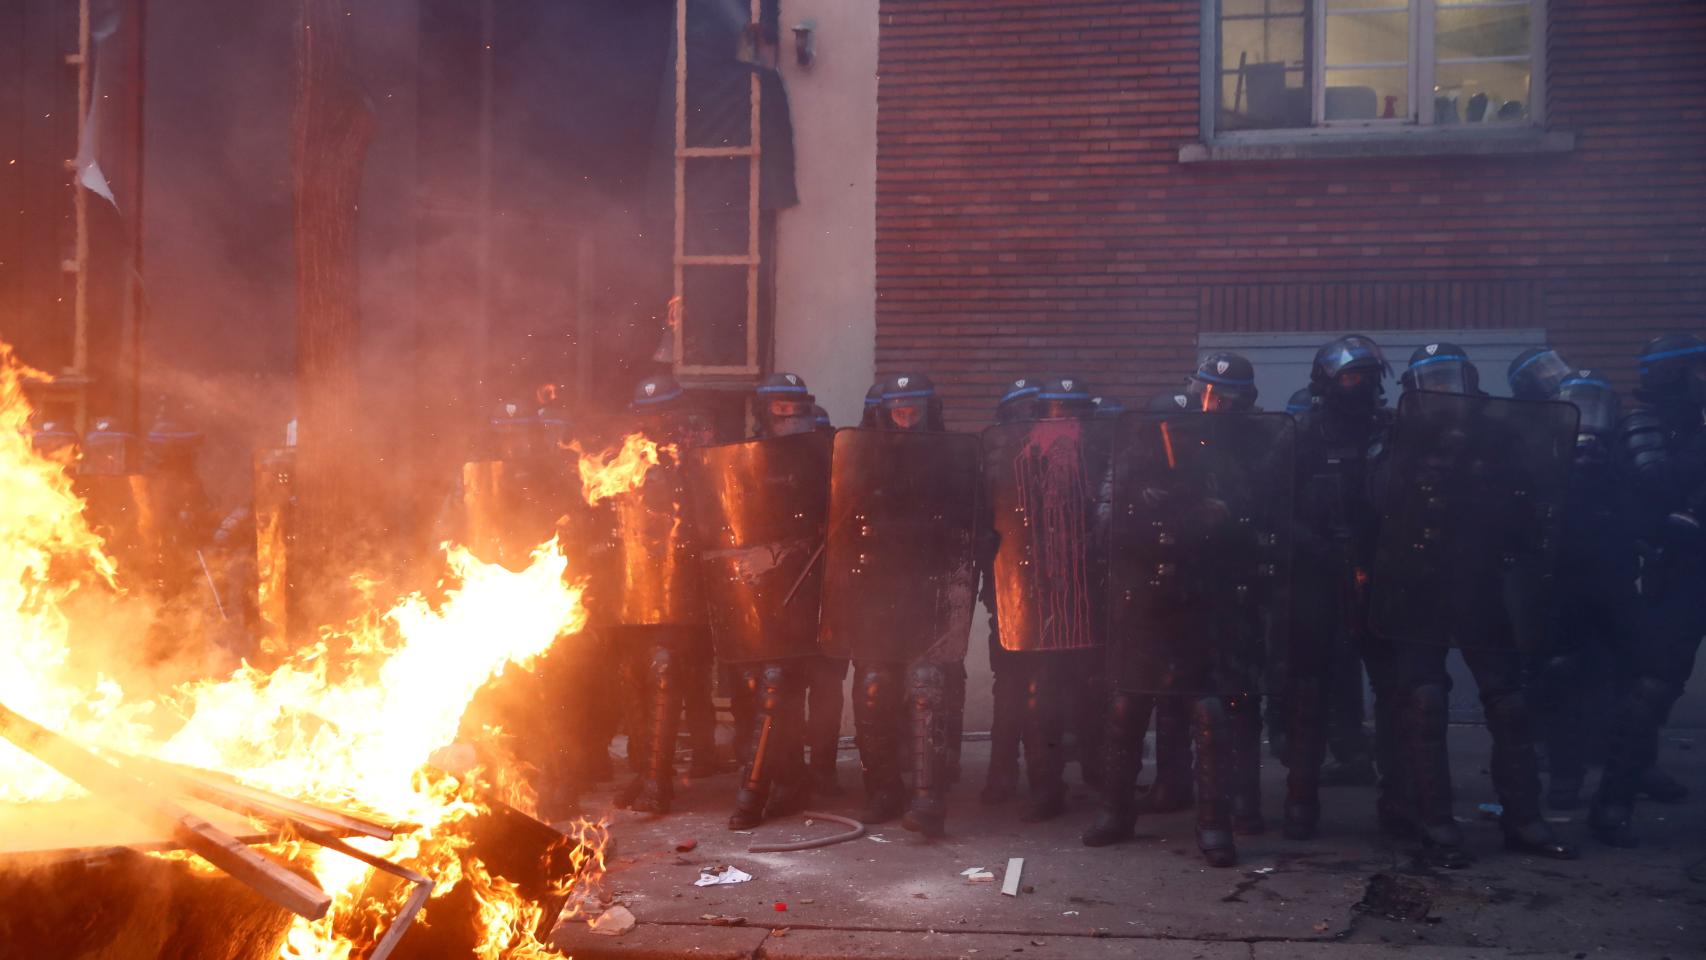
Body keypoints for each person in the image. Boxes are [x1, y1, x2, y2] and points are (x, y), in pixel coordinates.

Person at [1375, 343, 1576, 866]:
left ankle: (1524, 820)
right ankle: (1434, 822)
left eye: (1449, 378)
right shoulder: (1398, 436)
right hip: (1417, 587)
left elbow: (1534, 500)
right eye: (1432, 381)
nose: (1443, 390)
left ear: (1467, 378)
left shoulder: (1498, 433)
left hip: (1481, 582)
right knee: (1424, 702)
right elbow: (1373, 506)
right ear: (1415, 390)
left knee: (1509, 702)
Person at [822, 374, 979, 836]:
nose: (906, 416)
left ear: (929, 410)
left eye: (914, 408)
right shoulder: (862, 458)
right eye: (898, 409)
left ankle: (928, 799)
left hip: (928, 592)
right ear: (884, 411)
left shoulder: (954, 458)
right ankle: (883, 792)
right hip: (875, 592)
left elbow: (973, 522)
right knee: (873, 690)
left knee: (927, 686)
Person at [1589, 333, 1706, 846]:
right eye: (1697, 370)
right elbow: (1656, 490)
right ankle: (1613, 800)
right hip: (1678, 570)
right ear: (1677, 374)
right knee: (1654, 686)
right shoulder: (1646, 426)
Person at [983, 375, 1111, 822]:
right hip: (1029, 592)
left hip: (1082, 589)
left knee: (1085, 688)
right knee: (1033, 690)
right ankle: (1038, 784)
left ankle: (1096, 777)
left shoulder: (1097, 454)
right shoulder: (1018, 458)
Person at [1283, 336, 1394, 842]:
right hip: (1319, 571)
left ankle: (1401, 804)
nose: (1360, 386)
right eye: (1349, 377)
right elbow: (1271, 504)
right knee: (1311, 689)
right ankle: (1300, 804)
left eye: (1367, 377)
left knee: (1396, 687)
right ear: (1327, 383)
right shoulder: (1303, 434)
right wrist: (1311, 543)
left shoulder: (1391, 431)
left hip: (1380, 569)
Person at [609, 373, 717, 816]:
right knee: (631, 678)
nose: (655, 421)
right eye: (647, 414)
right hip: (633, 589)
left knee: (665, 672)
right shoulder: (625, 458)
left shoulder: (700, 453)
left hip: (684, 590)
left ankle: (660, 781)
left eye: (661, 412)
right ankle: (646, 770)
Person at [754, 373, 847, 799]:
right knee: (781, 685)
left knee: (826, 685)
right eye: (780, 409)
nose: (789, 418)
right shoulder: (752, 455)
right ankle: (787, 771)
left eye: (796, 410)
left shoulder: (831, 459)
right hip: (776, 587)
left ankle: (823, 770)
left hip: (825, 587)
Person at [980, 378, 1042, 805]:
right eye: (1018, 412)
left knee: (1040, 690)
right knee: (1010, 689)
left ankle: (1040, 783)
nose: (1026, 419)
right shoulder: (991, 466)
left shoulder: (1053, 459)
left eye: (1031, 411)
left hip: (1047, 589)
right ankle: (1001, 777)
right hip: (1006, 590)